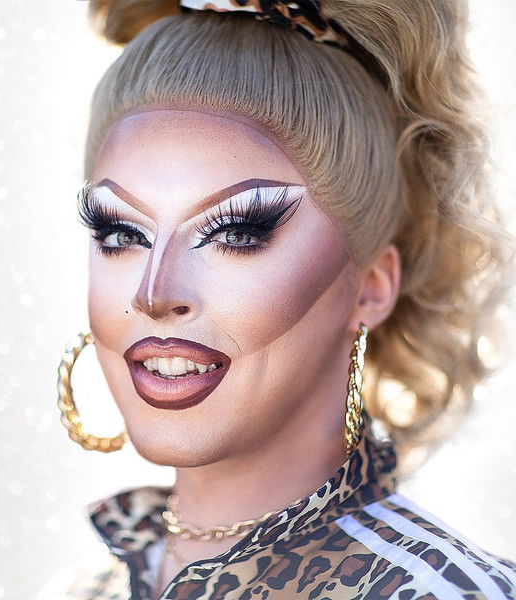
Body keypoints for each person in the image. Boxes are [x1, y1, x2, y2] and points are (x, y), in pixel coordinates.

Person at [40, 0, 516, 598]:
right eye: (121, 234)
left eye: (236, 233)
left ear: (372, 286)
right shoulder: (82, 590)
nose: (154, 294)